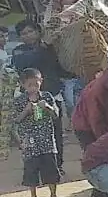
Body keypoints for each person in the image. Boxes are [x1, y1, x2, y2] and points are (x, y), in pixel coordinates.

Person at [11, 19, 68, 168]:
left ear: (38, 32)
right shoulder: (19, 51)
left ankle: (56, 166)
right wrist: (45, 46)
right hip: (29, 99)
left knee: (55, 133)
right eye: (24, 33)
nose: (28, 35)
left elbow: (61, 67)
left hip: (52, 96)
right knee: (31, 133)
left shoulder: (50, 48)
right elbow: (27, 61)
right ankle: (35, 167)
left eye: (31, 31)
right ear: (19, 37)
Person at [13, 68, 62, 197]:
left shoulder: (47, 96)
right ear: (23, 85)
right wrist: (26, 111)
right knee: (31, 171)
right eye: (30, 85)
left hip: (47, 141)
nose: (33, 88)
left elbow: (56, 115)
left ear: (41, 82)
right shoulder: (19, 101)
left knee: (51, 170)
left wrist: (47, 107)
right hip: (30, 143)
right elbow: (15, 120)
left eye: (36, 84)